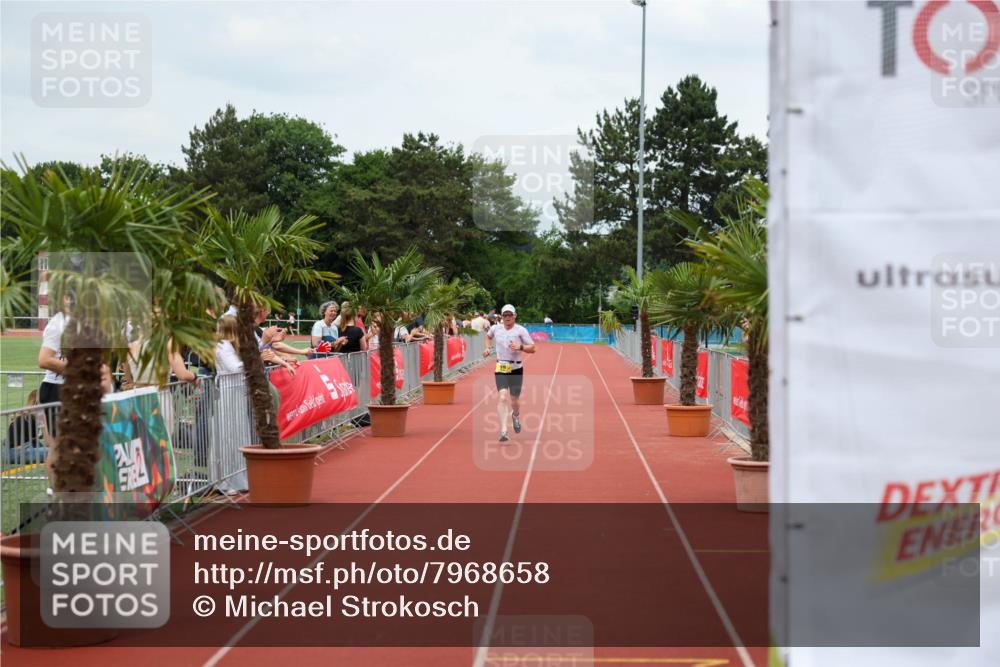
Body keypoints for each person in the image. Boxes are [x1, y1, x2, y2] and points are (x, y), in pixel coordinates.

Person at [483, 304, 535, 442]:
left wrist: (520, 347)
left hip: (516, 368)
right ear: (502, 316)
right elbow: (488, 337)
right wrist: (488, 349)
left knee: (514, 400)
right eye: (505, 315)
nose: (507, 317)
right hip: (501, 366)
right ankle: (504, 430)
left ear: (514, 316)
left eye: (509, 315)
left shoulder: (521, 331)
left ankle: (516, 415)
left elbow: (533, 348)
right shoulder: (495, 328)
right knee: (502, 397)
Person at [37, 294, 72, 434]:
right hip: (56, 389)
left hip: (73, 387)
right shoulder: (57, 324)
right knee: (61, 446)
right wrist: (77, 370)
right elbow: (44, 360)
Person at [4, 390, 52, 465]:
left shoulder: (23, 414)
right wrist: (43, 420)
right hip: (20, 452)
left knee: (41, 445)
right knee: (54, 452)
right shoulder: (34, 416)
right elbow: (48, 442)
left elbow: (36, 442)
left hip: (7, 452)